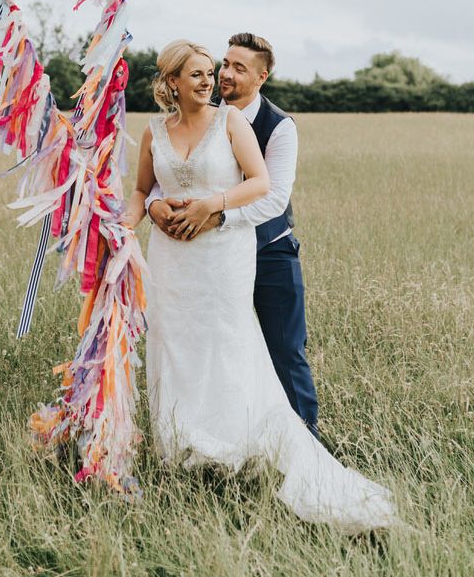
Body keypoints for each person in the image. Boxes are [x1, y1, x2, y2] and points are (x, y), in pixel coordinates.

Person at [123, 39, 398, 531]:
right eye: (208, 70)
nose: (216, 78)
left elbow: (268, 190)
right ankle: (187, 448)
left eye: (225, 69)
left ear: (260, 76)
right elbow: (148, 188)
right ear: (172, 82)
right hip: (173, 257)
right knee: (177, 345)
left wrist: (215, 209)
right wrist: (143, 212)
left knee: (264, 349)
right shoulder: (155, 130)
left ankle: (274, 444)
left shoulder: (257, 124)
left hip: (245, 252)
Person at [146, 33, 319, 438]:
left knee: (286, 350)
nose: (224, 75)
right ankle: (216, 434)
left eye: (238, 68)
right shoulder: (199, 110)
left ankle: (305, 438)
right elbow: (168, 174)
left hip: (271, 250)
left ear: (262, 77)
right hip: (208, 257)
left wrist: (220, 216)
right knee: (215, 346)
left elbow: (274, 198)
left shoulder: (280, 127)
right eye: (225, 63)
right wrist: (155, 206)